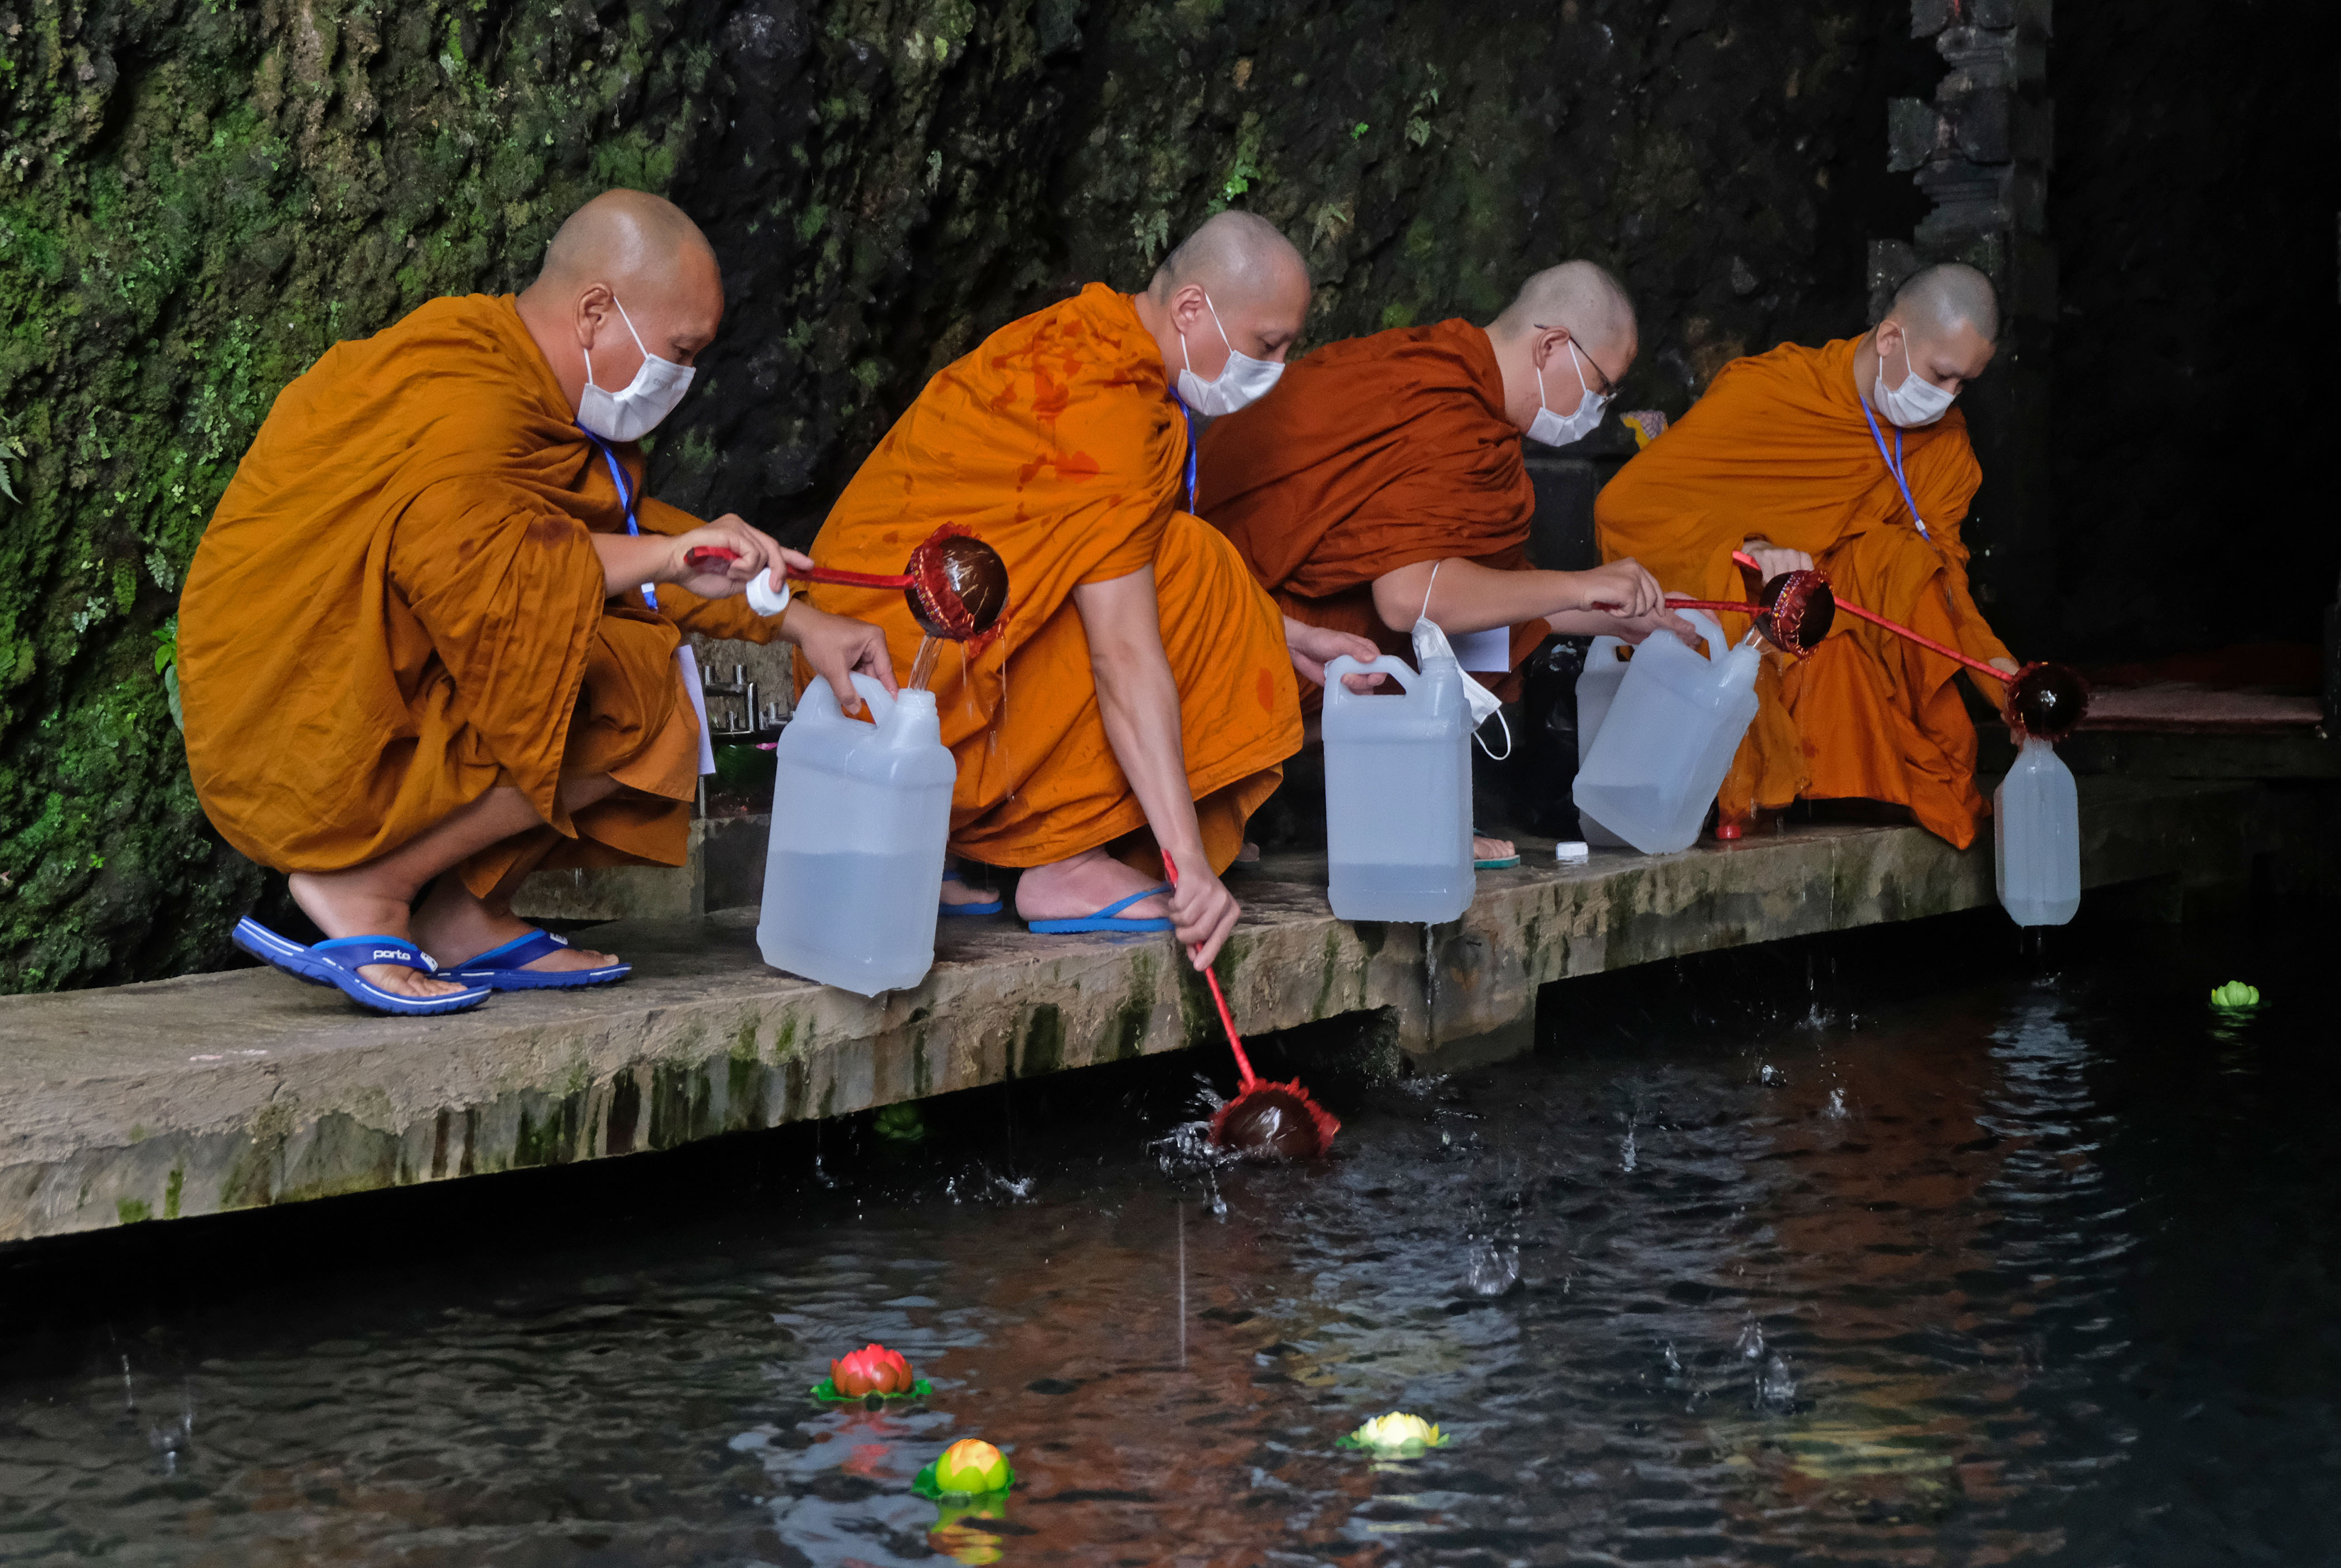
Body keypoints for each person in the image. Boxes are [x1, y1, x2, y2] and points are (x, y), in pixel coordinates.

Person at [178, 191, 893, 1013]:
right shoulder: (470, 398)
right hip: (299, 719)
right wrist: (664, 555)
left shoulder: (507, 366)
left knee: (610, 627)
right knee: (643, 691)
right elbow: (500, 568)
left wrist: (800, 619)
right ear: (597, 311)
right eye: (678, 352)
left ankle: (464, 913)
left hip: (351, 683)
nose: (685, 381)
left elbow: (602, 533)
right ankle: (369, 887)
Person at [800, 212, 1316, 967]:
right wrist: (1187, 865)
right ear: (1191, 310)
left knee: (1170, 565)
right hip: (898, 691)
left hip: (859, 690)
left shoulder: (1079, 334)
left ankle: (926, 844)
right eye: (1267, 345)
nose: (1275, 367)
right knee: (1191, 566)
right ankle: (1064, 862)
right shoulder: (1109, 408)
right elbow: (1125, 657)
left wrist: (1286, 634)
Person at [1197, 260, 1687, 863]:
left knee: (1467, 633)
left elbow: (1486, 591)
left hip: (1265, 601)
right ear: (1553, 346)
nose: (1600, 408)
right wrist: (1583, 585)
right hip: (1226, 619)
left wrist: (1613, 617)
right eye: (1602, 386)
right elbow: (1411, 599)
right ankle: (1399, 822)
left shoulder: (1453, 385)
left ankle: (1247, 804)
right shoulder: (1443, 406)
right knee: (1433, 646)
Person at [1594, 261, 2019, 846]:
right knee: (1763, 611)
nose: (1946, 399)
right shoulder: (1772, 391)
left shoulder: (1944, 445)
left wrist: (1998, 673)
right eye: (1940, 374)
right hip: (1762, 614)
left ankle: (1869, 781)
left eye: (1963, 384)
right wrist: (1746, 548)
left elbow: (1942, 578)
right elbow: (1630, 507)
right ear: (1891, 339)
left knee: (1903, 560)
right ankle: (1759, 785)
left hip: (1844, 617)